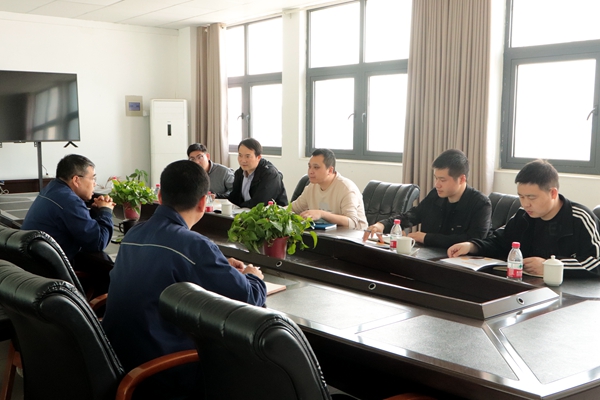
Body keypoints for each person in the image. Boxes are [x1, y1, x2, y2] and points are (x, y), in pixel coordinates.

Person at [102, 160, 266, 399]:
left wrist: (219, 264)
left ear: (160, 196)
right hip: (163, 372)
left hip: (116, 360)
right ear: (203, 202)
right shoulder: (194, 245)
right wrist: (253, 276)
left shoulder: (135, 232)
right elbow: (248, 298)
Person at [448, 159, 600, 277]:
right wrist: (471, 246)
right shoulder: (524, 215)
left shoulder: (579, 217)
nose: (525, 203)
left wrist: (550, 266)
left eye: (532, 197)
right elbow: (499, 241)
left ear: (553, 193)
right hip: (528, 286)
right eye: (521, 196)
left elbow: (596, 261)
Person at [364, 149, 491, 248]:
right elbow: (413, 215)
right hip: (426, 258)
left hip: (457, 263)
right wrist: (382, 224)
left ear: (462, 179)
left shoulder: (480, 204)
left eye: (442, 180)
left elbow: (475, 241)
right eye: (436, 178)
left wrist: (426, 238)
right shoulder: (435, 195)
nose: (437, 184)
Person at [21, 154, 115, 263]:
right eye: (93, 178)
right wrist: (106, 211)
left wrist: (95, 212)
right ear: (76, 180)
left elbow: (76, 225)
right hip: (47, 269)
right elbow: (98, 243)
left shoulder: (51, 189)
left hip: (31, 264)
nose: (95, 183)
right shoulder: (70, 201)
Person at [292, 148, 367, 230]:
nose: (310, 171)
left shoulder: (346, 188)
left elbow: (352, 223)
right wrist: (280, 211)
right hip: (325, 235)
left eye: (316, 167)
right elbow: (293, 209)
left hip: (353, 235)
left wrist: (322, 214)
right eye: (309, 167)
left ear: (330, 170)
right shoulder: (311, 187)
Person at [228, 138, 288, 208]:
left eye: (247, 156)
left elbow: (259, 203)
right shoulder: (239, 172)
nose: (243, 160)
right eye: (240, 155)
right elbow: (234, 198)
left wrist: (240, 206)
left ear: (258, 157)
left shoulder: (269, 174)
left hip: (271, 213)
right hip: (245, 211)